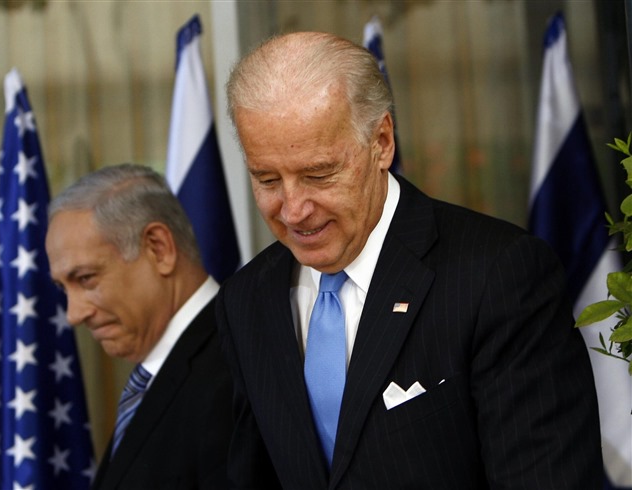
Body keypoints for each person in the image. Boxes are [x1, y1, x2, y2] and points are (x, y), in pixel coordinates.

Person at [215, 31, 603, 489]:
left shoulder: (497, 276)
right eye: (267, 180)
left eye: (318, 175)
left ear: (381, 142)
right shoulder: (246, 300)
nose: (293, 209)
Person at [45, 164, 233, 489]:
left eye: (86, 278)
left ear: (158, 249)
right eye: (63, 288)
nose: (73, 315)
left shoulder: (235, 368)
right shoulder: (163, 371)